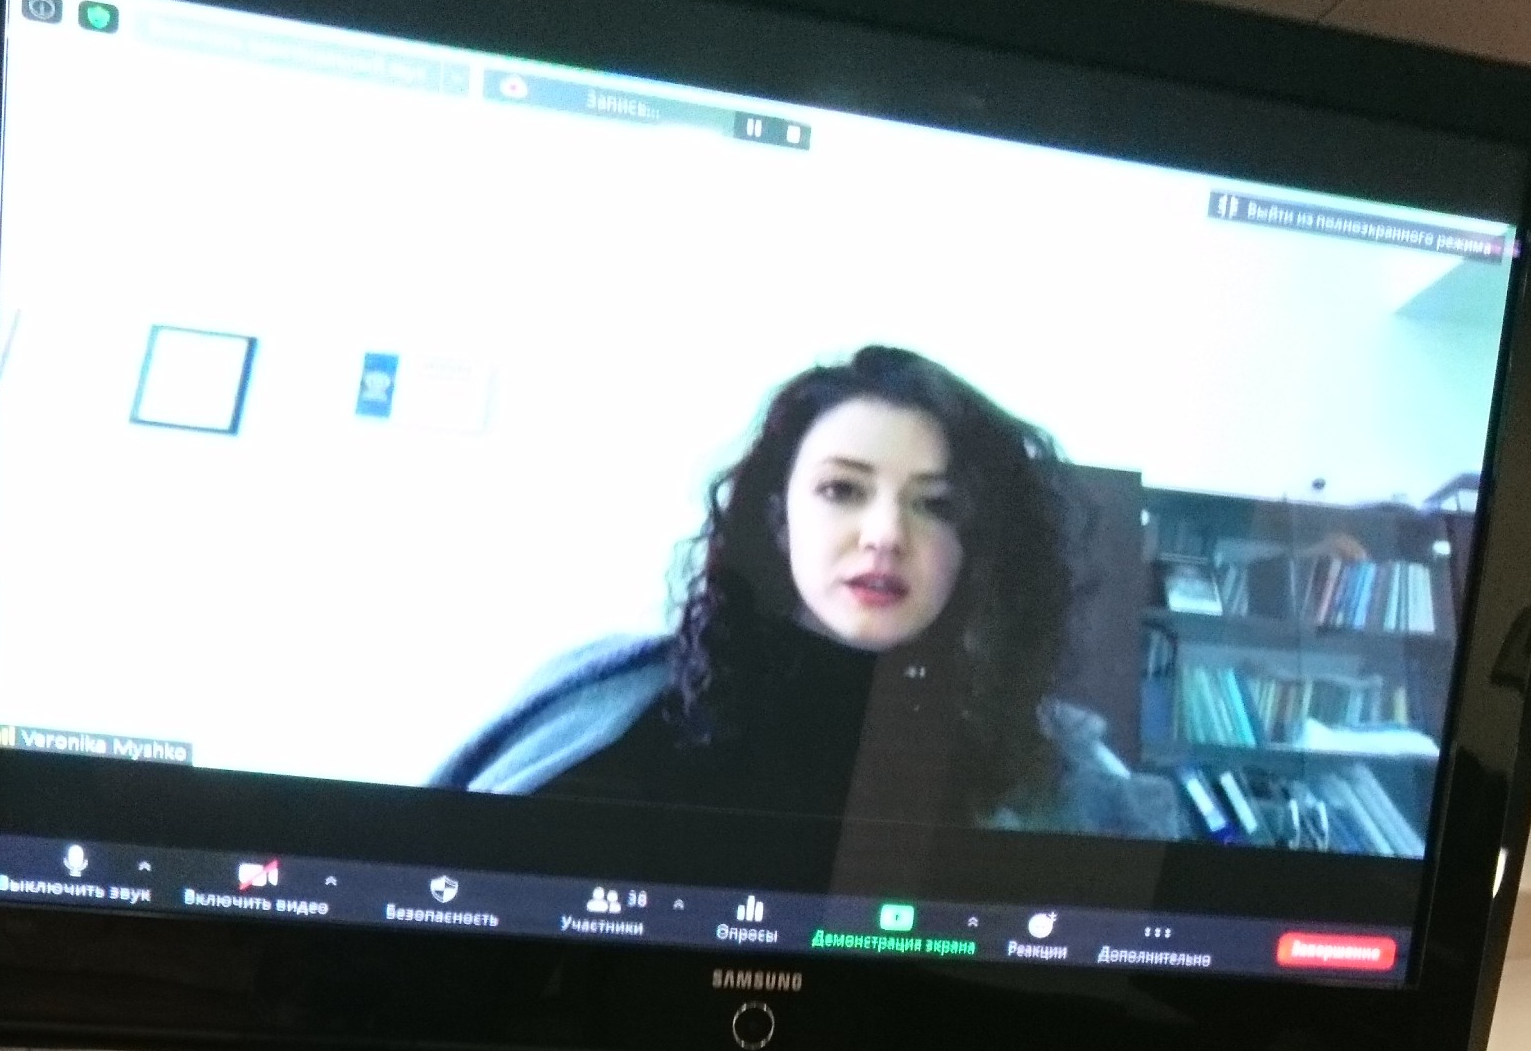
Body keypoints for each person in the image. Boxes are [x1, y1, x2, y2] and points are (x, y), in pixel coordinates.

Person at [433, 345, 1177, 847]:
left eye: (937, 505)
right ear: (778, 516)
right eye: (842, 490)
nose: (885, 535)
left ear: (976, 543)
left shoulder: (1064, 780)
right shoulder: (609, 707)